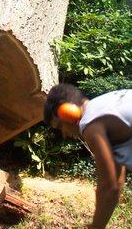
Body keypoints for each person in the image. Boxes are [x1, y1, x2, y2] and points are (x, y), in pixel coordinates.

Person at [44, 83, 132, 229]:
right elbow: (116, 179)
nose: (64, 133)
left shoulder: (90, 123)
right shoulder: (102, 107)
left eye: (60, 126)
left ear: (68, 111)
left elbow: (110, 187)